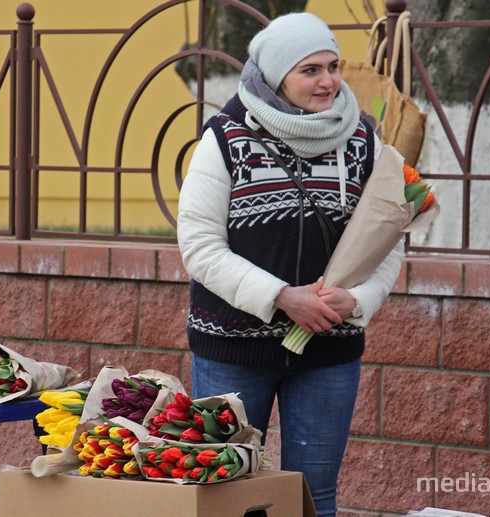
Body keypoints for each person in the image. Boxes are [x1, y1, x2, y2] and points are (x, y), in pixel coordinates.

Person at [176, 11, 405, 517]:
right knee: (229, 496)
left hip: (328, 349)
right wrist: (282, 297)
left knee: (314, 497)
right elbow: (199, 247)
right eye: (310, 70)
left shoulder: (363, 140)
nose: (328, 82)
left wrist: (359, 301)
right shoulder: (225, 138)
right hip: (232, 349)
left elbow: (389, 241)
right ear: (277, 75)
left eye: (333, 66)